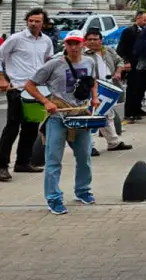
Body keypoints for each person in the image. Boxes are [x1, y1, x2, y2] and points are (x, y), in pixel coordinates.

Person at [25, 31, 99, 214]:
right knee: (53, 160)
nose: (73, 47)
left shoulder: (89, 62)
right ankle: (54, 198)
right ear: (65, 45)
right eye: (70, 43)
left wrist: (95, 97)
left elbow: (93, 81)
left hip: (80, 114)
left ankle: (82, 190)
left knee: (84, 156)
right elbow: (30, 84)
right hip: (58, 116)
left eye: (77, 43)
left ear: (83, 44)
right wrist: (46, 101)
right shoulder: (54, 64)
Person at [0, 7, 54, 182]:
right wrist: (2, 78)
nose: (33, 24)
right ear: (26, 21)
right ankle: (2, 166)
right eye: (30, 20)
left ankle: (23, 162)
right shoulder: (15, 39)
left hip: (37, 89)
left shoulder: (46, 41)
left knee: (31, 127)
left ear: (43, 23)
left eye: (37, 21)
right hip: (17, 88)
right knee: (12, 127)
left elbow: (48, 62)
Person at [82, 28, 132, 154]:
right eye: (89, 39)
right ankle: (89, 145)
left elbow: (119, 61)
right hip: (92, 88)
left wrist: (118, 71)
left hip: (109, 86)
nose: (92, 42)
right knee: (91, 116)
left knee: (108, 115)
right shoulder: (83, 54)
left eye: (95, 39)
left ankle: (113, 142)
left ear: (101, 40)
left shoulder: (108, 50)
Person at [119, 11, 146, 120]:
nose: (145, 23)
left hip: (143, 64)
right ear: (138, 18)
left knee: (141, 88)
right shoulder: (129, 31)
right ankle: (129, 111)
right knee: (132, 88)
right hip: (132, 64)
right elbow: (121, 48)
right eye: (144, 20)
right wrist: (126, 61)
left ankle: (137, 108)